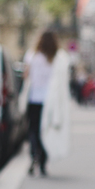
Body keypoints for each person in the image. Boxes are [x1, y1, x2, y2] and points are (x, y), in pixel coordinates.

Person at [24, 31, 70, 175]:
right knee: (45, 130)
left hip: (33, 99)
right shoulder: (58, 58)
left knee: (33, 129)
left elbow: (26, 75)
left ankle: (34, 155)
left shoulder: (32, 55)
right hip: (49, 101)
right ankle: (43, 162)